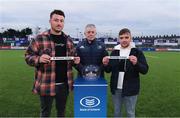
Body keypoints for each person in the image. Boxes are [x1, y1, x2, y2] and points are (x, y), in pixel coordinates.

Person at [25, 9, 80, 117]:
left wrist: (75, 61)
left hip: (64, 84)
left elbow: (73, 59)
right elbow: (28, 56)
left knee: (61, 112)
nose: (59, 23)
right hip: (46, 83)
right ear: (50, 21)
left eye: (61, 21)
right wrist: (39, 59)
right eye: (56, 20)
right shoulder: (39, 38)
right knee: (45, 113)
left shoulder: (68, 40)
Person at [103, 28, 149, 117]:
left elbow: (145, 70)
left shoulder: (137, 52)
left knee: (130, 113)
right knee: (117, 112)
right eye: (121, 37)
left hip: (131, 88)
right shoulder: (115, 52)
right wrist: (105, 64)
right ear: (119, 39)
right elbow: (108, 70)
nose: (124, 40)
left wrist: (136, 63)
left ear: (130, 38)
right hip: (116, 87)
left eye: (126, 37)